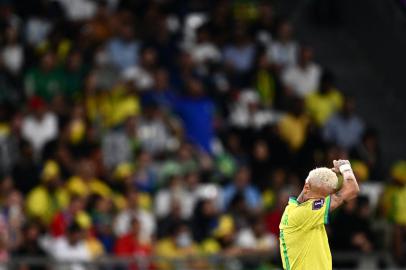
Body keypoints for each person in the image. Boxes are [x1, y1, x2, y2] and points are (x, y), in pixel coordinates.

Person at [279, 160, 360, 270]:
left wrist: (337, 174)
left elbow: (336, 188)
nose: (324, 203)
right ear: (306, 187)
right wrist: (345, 167)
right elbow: (352, 189)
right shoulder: (306, 212)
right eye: (321, 198)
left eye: (326, 198)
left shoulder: (295, 210)